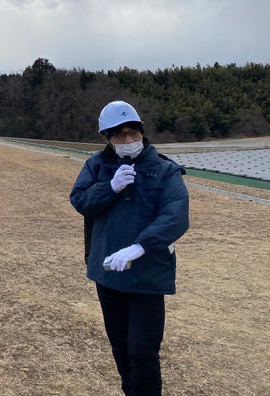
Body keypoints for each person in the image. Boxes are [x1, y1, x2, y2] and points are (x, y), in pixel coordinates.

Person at [69, 101, 189, 396]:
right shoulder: (96, 166)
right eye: (119, 135)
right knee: (121, 348)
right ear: (106, 138)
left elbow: (176, 214)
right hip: (108, 272)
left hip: (147, 275)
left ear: (141, 133)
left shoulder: (164, 170)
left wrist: (140, 246)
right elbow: (80, 201)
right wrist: (109, 187)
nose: (128, 141)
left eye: (133, 133)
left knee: (142, 350)